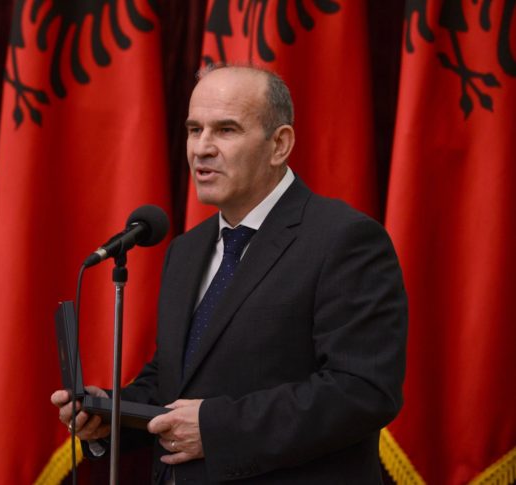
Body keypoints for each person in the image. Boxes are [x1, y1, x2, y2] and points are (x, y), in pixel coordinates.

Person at [51, 64, 407, 484]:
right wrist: (110, 413)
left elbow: (362, 391)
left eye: (225, 130)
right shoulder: (186, 250)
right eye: (194, 129)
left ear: (279, 144)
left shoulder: (344, 240)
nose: (201, 148)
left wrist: (217, 429)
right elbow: (175, 378)